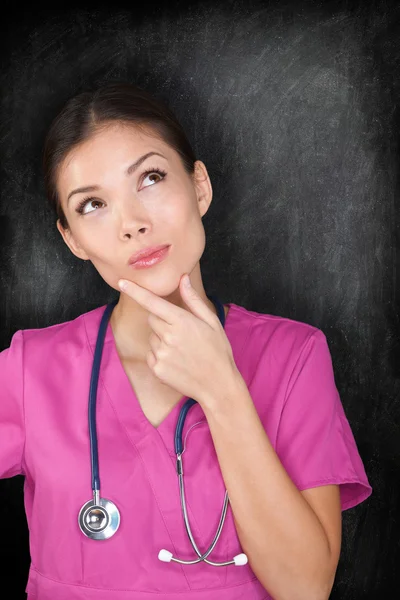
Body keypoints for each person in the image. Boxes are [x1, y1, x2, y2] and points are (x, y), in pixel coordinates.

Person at [0, 82, 372, 600]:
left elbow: (306, 589)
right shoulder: (29, 368)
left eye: (150, 178)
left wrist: (222, 391)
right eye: (92, 205)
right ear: (72, 239)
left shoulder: (295, 356)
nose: (133, 224)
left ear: (199, 186)